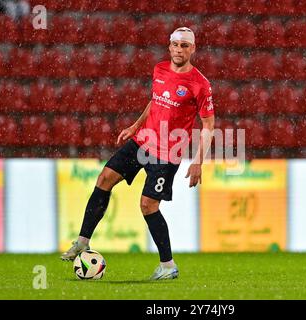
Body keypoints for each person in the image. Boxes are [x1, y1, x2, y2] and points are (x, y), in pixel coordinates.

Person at [61, 27, 215, 280]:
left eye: (185, 45)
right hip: (143, 141)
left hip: (167, 152)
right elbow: (155, 101)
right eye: (175, 45)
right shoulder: (159, 69)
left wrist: (198, 162)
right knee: (104, 179)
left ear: (193, 49)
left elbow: (208, 125)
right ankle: (82, 241)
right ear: (169, 47)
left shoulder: (200, 84)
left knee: (148, 205)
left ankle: (168, 265)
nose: (179, 49)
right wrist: (135, 126)